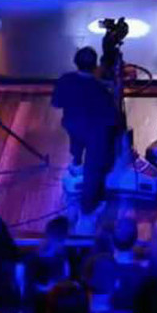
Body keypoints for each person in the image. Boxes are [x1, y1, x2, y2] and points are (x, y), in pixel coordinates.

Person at [51, 47, 119, 214]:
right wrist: (115, 94)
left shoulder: (65, 79)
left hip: (72, 125)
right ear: (95, 65)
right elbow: (112, 119)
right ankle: (87, 208)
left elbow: (56, 103)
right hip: (94, 133)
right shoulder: (100, 90)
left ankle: (76, 163)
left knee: (77, 139)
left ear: (76, 62)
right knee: (94, 168)